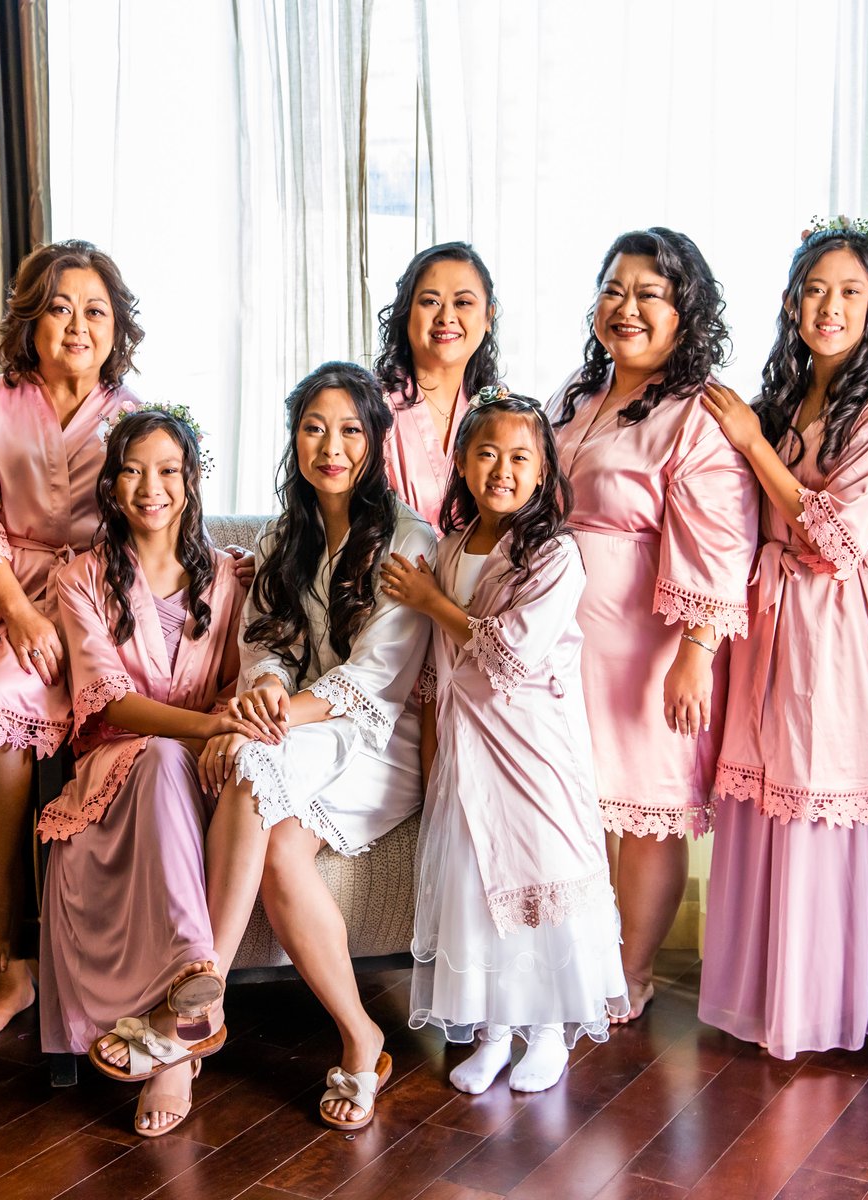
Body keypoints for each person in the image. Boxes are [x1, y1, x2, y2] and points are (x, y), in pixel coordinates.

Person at [697, 218, 868, 1058]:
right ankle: (766, 991)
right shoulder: (788, 397)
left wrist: (754, 446)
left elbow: (837, 535)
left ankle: (826, 1000)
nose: (830, 307)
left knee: (815, 792)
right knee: (761, 791)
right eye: (816, 290)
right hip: (765, 616)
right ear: (793, 300)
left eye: (850, 292)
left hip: (829, 620)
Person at [202, 361, 436, 1130]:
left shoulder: (410, 541)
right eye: (313, 428)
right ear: (294, 437)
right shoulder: (283, 535)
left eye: (349, 431)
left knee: (251, 758)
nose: (330, 447)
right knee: (279, 850)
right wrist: (266, 689)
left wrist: (268, 719)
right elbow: (265, 639)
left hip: (378, 741)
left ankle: (203, 988)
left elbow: (373, 682)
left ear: (375, 440)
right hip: (302, 730)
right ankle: (363, 1036)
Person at [381, 388, 626, 1095]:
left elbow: (510, 654)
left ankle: (545, 1030)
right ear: (461, 463)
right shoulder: (451, 547)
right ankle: (492, 1030)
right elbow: (437, 665)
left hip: (532, 751)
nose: (502, 470)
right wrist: (433, 752)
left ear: (544, 470)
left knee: (538, 879)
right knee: (475, 886)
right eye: (486, 454)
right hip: (467, 750)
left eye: (521, 457)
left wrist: (433, 601)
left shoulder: (555, 555)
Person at [0, 240, 143, 1039]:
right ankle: (10, 973)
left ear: (117, 326)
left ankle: (4, 910)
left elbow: (152, 524)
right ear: (30, 320)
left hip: (86, 605)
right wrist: (19, 611)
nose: (78, 326)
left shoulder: (132, 416)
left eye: (95, 311)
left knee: (3, 710)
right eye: (59, 308)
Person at [550, 228, 759, 1020]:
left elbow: (724, 538)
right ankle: (577, 960)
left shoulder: (696, 412)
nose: (626, 306)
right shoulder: (578, 391)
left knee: (648, 815)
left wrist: (695, 653)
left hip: (651, 645)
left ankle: (630, 972)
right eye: (614, 289)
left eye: (649, 293)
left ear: (685, 310)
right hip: (563, 643)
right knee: (581, 807)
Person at [36, 407, 250, 1137]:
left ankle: (175, 1038)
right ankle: (192, 994)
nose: (149, 487)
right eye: (131, 470)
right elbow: (111, 701)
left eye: (166, 470)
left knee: (180, 760)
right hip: (117, 773)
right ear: (111, 485)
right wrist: (207, 725)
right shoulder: (80, 578)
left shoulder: (229, 577)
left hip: (204, 772)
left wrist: (220, 727)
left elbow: (237, 681)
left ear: (191, 480)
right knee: (157, 753)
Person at [372, 242, 503, 527]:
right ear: (406, 312)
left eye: (463, 303)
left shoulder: (503, 410)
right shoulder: (371, 407)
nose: (446, 317)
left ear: (488, 316)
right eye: (430, 301)